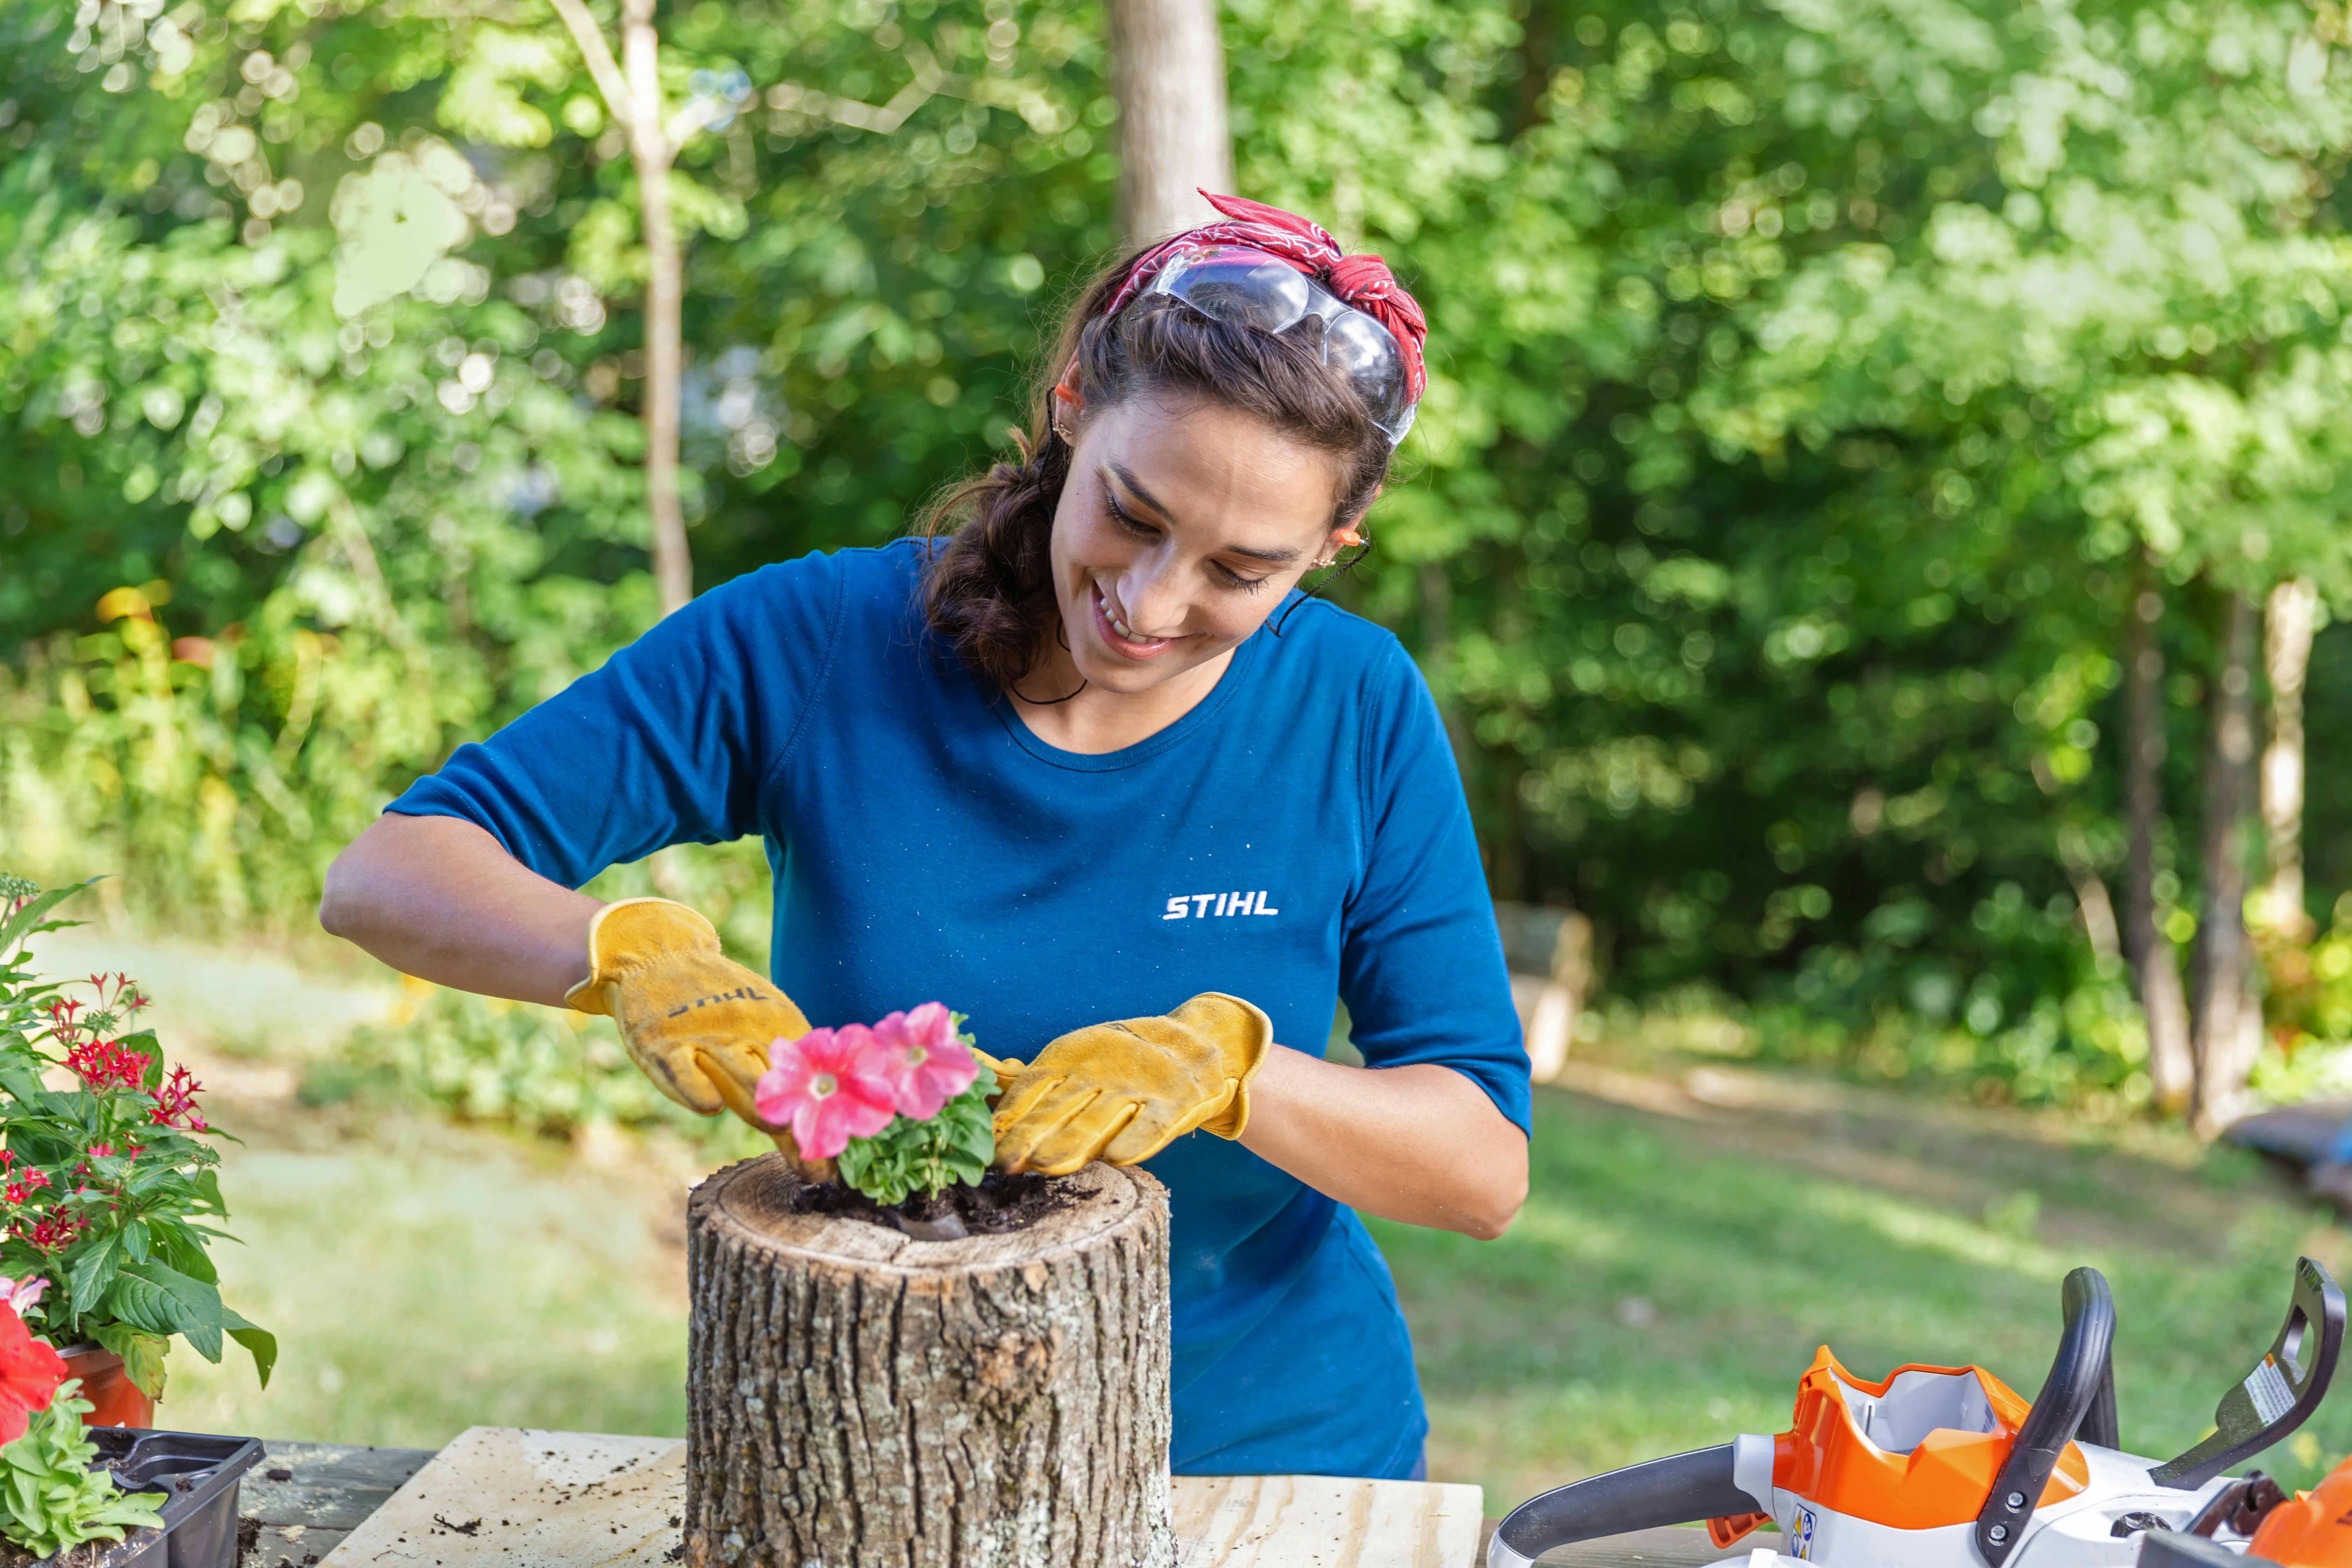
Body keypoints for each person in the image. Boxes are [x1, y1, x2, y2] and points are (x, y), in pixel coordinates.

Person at [319, 194, 1531, 1481]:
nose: (1150, 600)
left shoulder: (1353, 704)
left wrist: (1233, 1072)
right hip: (874, 1460)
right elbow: (387, 874)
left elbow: (1479, 1167)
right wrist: (631, 952)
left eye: (1242, 572)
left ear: (1331, 549)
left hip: (1271, 1461)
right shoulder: (821, 640)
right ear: (1072, 404)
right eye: (1132, 512)